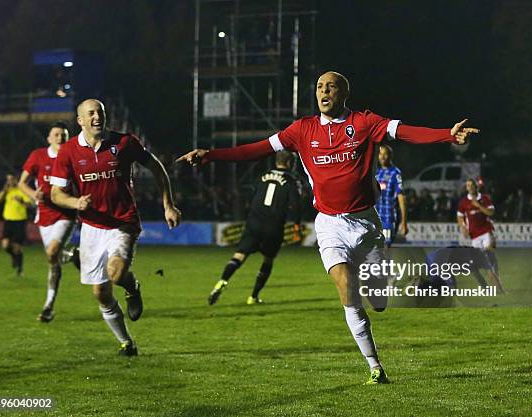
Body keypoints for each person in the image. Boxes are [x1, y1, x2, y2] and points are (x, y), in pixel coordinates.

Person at [177, 71, 480, 384]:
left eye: (330, 87)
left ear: (343, 93)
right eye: (320, 87)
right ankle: (375, 366)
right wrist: (210, 155)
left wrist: (447, 134)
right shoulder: (302, 130)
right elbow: (257, 149)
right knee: (348, 290)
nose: (323, 92)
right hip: (329, 224)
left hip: (366, 224)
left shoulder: (364, 123)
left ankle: (378, 296)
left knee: (378, 301)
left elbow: (404, 131)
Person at [50, 99, 181, 356]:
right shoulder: (68, 152)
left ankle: (133, 288)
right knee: (100, 292)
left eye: (100, 112)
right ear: (80, 121)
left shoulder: (125, 142)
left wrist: (168, 204)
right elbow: (55, 194)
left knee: (117, 273)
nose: (97, 117)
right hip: (91, 227)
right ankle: (126, 343)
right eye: (91, 114)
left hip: (124, 221)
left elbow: (157, 167)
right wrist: (75, 201)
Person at [208, 150, 302, 305]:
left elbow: (250, 197)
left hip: (254, 222)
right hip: (274, 226)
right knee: (268, 259)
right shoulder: (291, 181)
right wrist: (297, 225)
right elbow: (296, 205)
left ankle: (222, 282)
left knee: (239, 255)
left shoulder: (262, 177)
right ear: (290, 163)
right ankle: (253, 297)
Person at [18, 121, 76, 322]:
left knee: (52, 252)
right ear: (49, 138)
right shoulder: (38, 156)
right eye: (57, 134)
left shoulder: (72, 156)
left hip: (65, 213)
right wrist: (35, 195)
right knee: (53, 261)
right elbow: (21, 183)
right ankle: (50, 304)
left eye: (64, 135)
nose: (60, 138)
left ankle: (49, 303)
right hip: (44, 215)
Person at [456, 178, 504, 293]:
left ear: (476, 187)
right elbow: (459, 216)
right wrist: (463, 227)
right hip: (474, 236)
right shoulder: (463, 202)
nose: (470, 187)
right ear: (466, 188)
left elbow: (491, 212)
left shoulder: (485, 198)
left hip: (486, 232)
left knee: (489, 259)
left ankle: (499, 289)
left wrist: (478, 205)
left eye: (472, 185)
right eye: (468, 185)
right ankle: (486, 286)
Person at [0, 174, 33, 276]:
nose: (9, 181)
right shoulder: (7, 191)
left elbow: (30, 205)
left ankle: (20, 269)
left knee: (17, 247)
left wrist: (22, 201)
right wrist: (4, 190)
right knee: (5, 245)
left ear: (16, 179)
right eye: (8, 180)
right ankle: (14, 257)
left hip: (19, 221)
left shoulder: (22, 190)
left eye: (11, 179)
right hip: (8, 221)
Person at [375, 144, 407, 247]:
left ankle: (387, 263)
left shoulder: (395, 173)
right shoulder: (376, 172)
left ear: (390, 156)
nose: (382, 156)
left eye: (385, 154)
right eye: (380, 154)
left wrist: (404, 221)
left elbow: (401, 198)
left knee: (385, 248)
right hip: (374, 218)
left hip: (388, 217)